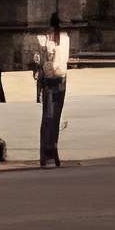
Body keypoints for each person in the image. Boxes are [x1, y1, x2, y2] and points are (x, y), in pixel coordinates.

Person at [30, 19, 72, 167]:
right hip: (49, 82)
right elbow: (40, 64)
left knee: (55, 117)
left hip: (60, 81)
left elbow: (60, 63)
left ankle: (52, 149)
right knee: (48, 117)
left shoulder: (64, 38)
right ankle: (47, 152)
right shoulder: (43, 40)